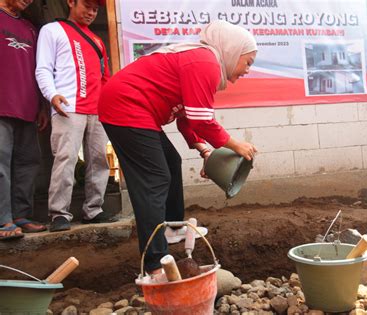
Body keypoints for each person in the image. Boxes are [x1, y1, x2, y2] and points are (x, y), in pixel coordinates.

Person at [98, 20, 258, 274]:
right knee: (155, 180)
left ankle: (173, 229)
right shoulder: (204, 62)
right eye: (248, 62)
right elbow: (202, 120)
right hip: (125, 106)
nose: (248, 69)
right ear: (232, 50)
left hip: (135, 110)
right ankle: (155, 264)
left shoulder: (204, 62)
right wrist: (235, 145)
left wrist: (205, 152)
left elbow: (186, 119)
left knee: (171, 163)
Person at [35, 0, 115, 232]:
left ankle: (94, 210)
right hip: (67, 106)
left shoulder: (98, 40)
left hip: (97, 108)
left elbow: (105, 77)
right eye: (87, 6)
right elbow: (43, 68)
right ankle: (59, 214)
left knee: (99, 160)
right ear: (71, 2)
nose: (91, 12)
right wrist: (52, 95)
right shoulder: (52, 29)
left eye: (95, 9)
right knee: (65, 159)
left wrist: (108, 105)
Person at [0, 0, 48, 240]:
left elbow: (39, 68)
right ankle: (2, 219)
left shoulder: (31, 28)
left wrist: (42, 106)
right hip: (2, 105)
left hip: (27, 107)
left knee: (28, 163)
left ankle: (20, 215)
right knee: (1, 163)